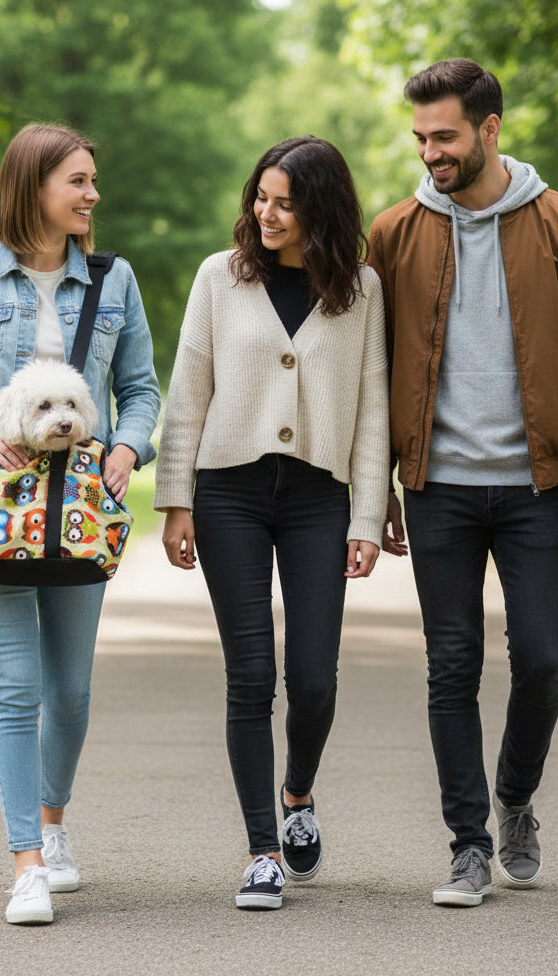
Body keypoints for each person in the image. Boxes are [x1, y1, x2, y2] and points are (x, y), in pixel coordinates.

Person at [367, 59, 558, 907]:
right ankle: (468, 844)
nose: (430, 152)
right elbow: (370, 371)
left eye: (444, 135)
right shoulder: (394, 232)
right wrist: (375, 485)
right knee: (451, 665)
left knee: (544, 660)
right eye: (420, 138)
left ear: (490, 128)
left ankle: (516, 798)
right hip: (437, 487)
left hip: (536, 485)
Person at [0, 123, 160, 925]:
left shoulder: (114, 282)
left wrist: (127, 446)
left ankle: (54, 826)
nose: (92, 195)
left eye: (92, 180)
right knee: (14, 686)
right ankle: (25, 866)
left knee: (71, 691)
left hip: (81, 511)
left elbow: (144, 387)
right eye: (77, 181)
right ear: (33, 186)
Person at [155, 136, 390, 910]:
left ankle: (298, 795)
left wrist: (366, 513)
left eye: (285, 203)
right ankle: (262, 851)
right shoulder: (219, 278)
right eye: (261, 197)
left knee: (314, 680)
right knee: (251, 675)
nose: (266, 213)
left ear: (320, 210)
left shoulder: (360, 289)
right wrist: (176, 498)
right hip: (231, 493)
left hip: (319, 498)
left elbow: (374, 412)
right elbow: (188, 390)